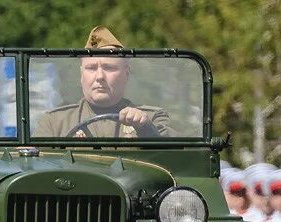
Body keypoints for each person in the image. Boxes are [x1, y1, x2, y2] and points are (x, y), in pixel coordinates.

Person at [33, 27, 175, 139]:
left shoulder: (152, 118)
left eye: (109, 68)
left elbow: (174, 162)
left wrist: (145, 128)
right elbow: (35, 166)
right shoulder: (55, 123)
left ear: (126, 74)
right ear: (81, 74)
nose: (100, 76)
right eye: (91, 68)